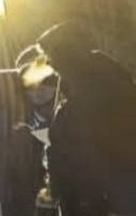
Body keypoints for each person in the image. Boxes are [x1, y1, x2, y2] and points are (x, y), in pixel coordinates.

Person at [35, 22, 136, 216]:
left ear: (64, 55)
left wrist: (58, 187)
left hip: (92, 198)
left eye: (51, 56)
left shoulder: (83, 96)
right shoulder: (109, 79)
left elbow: (71, 151)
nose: (48, 63)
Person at [0, 46, 55, 216]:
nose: (39, 91)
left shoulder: (55, 97)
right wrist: (15, 128)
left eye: (46, 85)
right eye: (34, 85)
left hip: (26, 173)